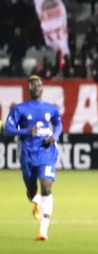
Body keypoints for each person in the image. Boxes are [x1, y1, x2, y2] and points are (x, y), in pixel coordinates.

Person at [3, 75, 62, 241]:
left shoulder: (51, 109)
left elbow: (58, 124)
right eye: (33, 84)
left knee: (46, 186)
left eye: (39, 84)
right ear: (28, 88)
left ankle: (43, 231)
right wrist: (26, 131)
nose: (37, 86)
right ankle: (36, 201)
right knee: (31, 191)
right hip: (27, 153)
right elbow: (7, 129)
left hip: (46, 151)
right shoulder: (20, 109)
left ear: (42, 88)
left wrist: (55, 135)